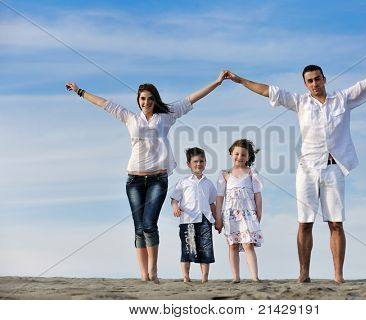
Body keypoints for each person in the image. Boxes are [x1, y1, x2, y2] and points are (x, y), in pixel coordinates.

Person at [224, 57, 366, 283]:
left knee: (336, 223)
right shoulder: (300, 102)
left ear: (324, 79)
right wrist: (239, 80)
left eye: (317, 79)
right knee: (305, 222)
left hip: (334, 167)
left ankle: (338, 276)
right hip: (307, 169)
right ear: (305, 84)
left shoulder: (342, 99)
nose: (314, 83)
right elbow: (268, 91)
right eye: (310, 81)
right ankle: (304, 274)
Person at [65, 70, 227, 283]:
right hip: (134, 179)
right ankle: (143, 274)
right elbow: (104, 103)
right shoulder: (130, 117)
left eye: (151, 98)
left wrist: (216, 82)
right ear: (138, 100)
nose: (147, 102)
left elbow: (191, 98)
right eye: (143, 98)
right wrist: (79, 91)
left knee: (150, 224)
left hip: (158, 179)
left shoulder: (166, 116)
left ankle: (153, 271)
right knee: (139, 228)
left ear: (155, 99)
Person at [216, 139, 264, 283]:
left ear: (248, 157)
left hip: (248, 213)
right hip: (230, 214)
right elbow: (219, 197)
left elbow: (258, 196)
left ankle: (254, 277)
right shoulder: (225, 174)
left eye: (243, 155)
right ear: (231, 154)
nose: (239, 157)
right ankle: (236, 277)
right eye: (237, 154)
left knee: (248, 244)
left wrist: (258, 214)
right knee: (233, 245)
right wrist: (218, 218)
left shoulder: (251, 173)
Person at [170, 147, 219, 283]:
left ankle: (204, 277)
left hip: (205, 219)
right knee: (188, 247)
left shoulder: (209, 183)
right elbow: (174, 198)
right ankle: (186, 276)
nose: (199, 164)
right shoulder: (183, 182)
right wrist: (175, 207)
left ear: (205, 163)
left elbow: (212, 203)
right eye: (195, 161)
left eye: (201, 161)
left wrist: (217, 221)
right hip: (187, 220)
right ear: (189, 164)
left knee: (206, 247)